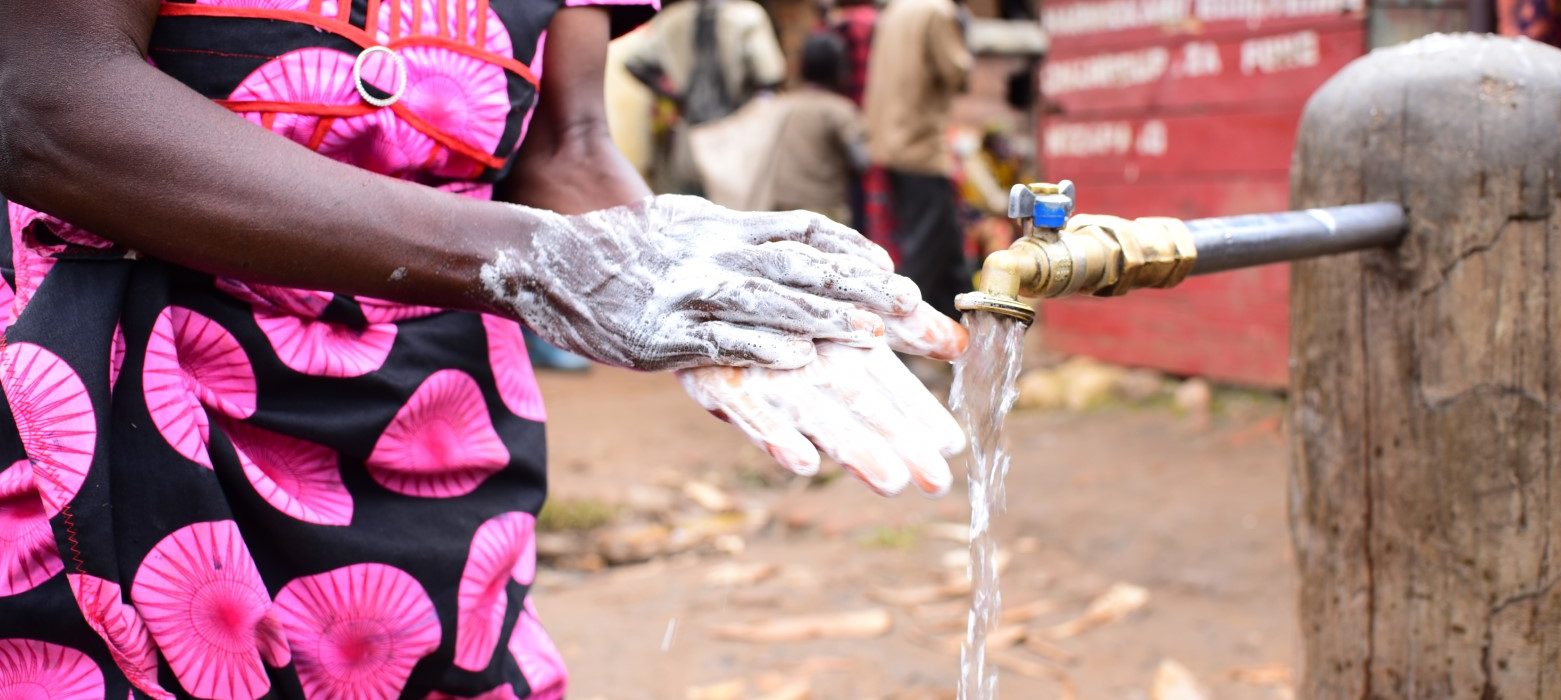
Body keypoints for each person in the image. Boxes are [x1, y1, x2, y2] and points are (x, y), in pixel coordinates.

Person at [0, 1, 967, 697]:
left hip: (432, 419)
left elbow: (569, 144)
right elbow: (45, 97)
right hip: (126, 399)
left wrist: (701, 287)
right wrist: (539, 264)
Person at [864, 0, 974, 319]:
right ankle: (892, 332)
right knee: (926, 248)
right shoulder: (937, 12)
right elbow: (956, 72)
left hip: (892, 141)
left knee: (945, 244)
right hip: (921, 146)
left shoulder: (896, 9)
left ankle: (963, 327)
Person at [624, 0, 788, 193]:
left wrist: (676, 96)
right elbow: (770, 74)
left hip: (689, 132)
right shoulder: (747, 16)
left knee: (692, 203)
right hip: (737, 131)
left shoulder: (671, 18)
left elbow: (635, 63)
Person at [765, 33, 867, 225]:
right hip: (826, 214)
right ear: (838, 69)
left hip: (782, 210)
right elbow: (861, 160)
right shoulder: (840, 110)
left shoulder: (785, 104)